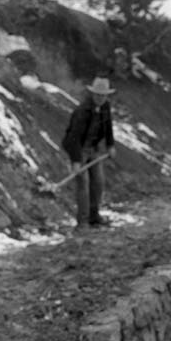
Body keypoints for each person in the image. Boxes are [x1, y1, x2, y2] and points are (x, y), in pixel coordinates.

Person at [61, 75, 116, 229]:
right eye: (98, 95)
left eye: (103, 95)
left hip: (94, 148)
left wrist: (110, 145)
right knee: (83, 184)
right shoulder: (82, 111)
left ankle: (94, 216)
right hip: (78, 148)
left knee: (98, 182)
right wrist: (76, 161)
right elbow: (73, 138)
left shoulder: (105, 107)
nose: (100, 98)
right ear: (92, 94)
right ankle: (82, 221)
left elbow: (108, 126)